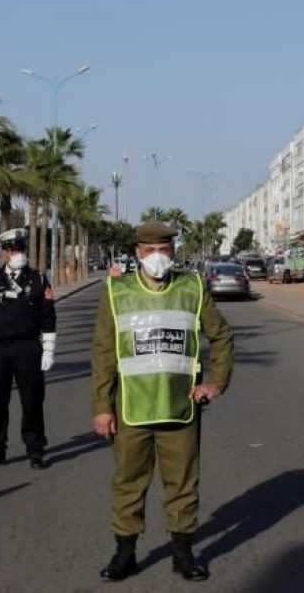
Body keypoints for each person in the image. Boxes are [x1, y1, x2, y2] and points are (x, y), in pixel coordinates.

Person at [91, 222, 234, 582]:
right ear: (138, 252)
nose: (157, 257)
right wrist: (102, 407)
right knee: (128, 482)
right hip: (131, 410)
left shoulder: (193, 287)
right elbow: (104, 352)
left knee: (183, 483)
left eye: (164, 250)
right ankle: (125, 554)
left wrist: (216, 382)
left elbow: (221, 336)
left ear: (173, 251)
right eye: (150, 250)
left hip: (180, 408)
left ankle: (183, 555)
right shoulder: (116, 290)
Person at [0, 228, 57, 470]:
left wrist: (48, 350)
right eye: (13, 250)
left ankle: (35, 450)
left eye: (20, 249)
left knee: (32, 401)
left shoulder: (38, 279)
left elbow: (48, 316)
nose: (18, 254)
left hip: (27, 348)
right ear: (4, 253)